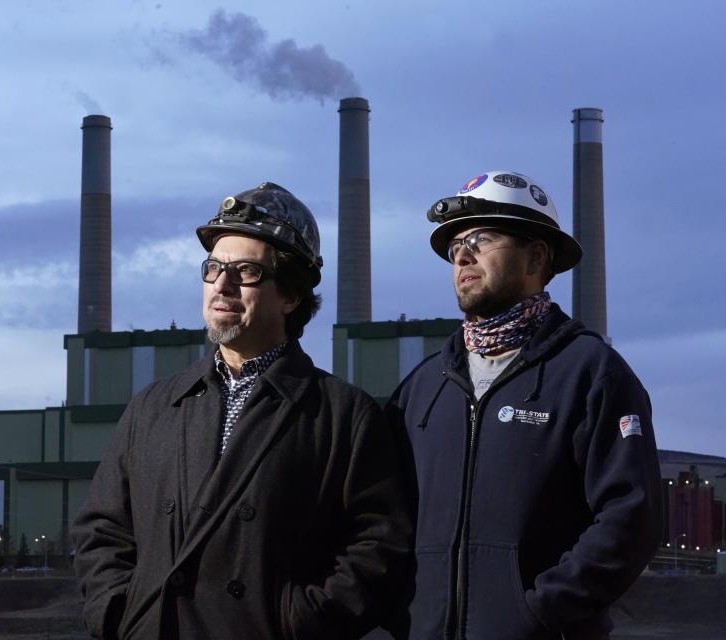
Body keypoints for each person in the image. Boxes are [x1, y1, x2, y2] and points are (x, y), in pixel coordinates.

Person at [73, 182, 412, 639]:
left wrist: (300, 622)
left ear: (291, 296)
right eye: (213, 268)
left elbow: (379, 546)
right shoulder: (153, 406)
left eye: (246, 271)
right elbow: (103, 530)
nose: (222, 284)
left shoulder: (342, 415)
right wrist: (120, 614)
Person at [385, 171, 663, 639]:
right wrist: (402, 615)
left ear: (536, 255)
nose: (463, 255)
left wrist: (537, 614)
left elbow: (631, 516)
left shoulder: (590, 374)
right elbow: (383, 520)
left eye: (482, 238)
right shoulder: (422, 388)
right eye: (455, 247)